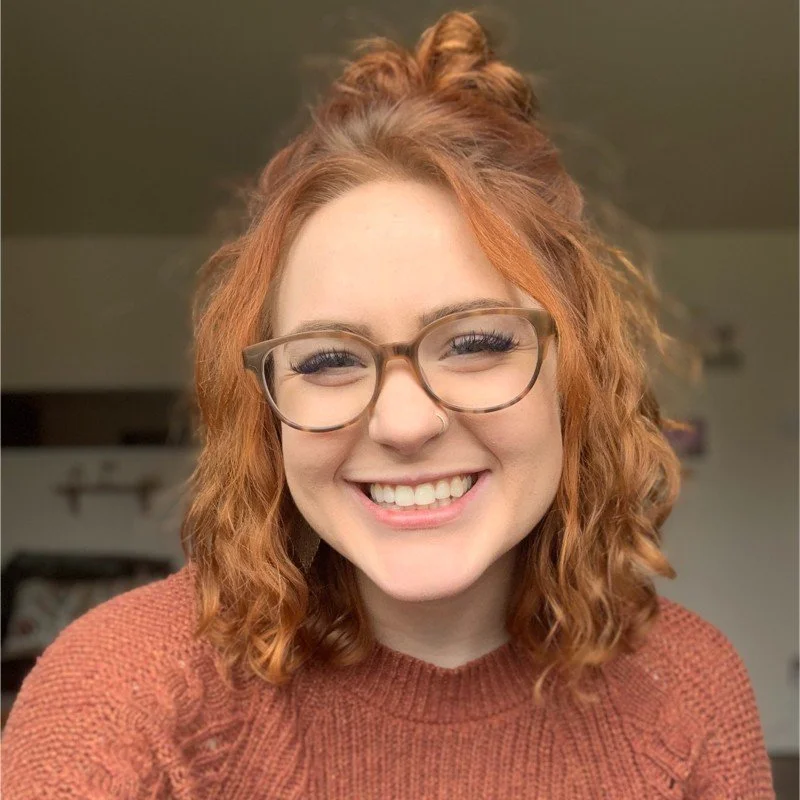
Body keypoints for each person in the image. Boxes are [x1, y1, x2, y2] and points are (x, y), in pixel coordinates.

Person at [2, 11, 774, 799]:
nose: (404, 424)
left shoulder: (691, 694)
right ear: (264, 413)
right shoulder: (124, 693)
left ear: (574, 375)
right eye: (331, 359)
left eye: (475, 344)